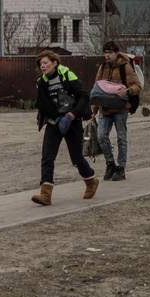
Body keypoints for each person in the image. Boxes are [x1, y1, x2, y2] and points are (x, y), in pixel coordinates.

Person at [31, 50, 99, 206]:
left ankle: (91, 180)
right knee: (47, 156)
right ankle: (45, 194)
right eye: (41, 64)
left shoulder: (67, 75)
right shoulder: (41, 82)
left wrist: (72, 115)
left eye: (46, 63)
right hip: (54, 122)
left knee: (76, 157)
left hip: (72, 121)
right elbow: (42, 104)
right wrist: (57, 117)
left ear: (55, 63)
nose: (43, 66)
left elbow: (83, 96)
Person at [93, 41, 142, 181]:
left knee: (121, 138)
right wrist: (94, 109)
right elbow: (97, 89)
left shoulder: (125, 67)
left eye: (110, 52)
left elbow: (137, 86)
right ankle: (110, 164)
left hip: (121, 108)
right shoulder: (102, 68)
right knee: (101, 136)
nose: (107, 55)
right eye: (105, 52)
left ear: (116, 53)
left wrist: (127, 90)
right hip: (105, 108)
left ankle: (121, 168)